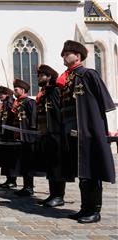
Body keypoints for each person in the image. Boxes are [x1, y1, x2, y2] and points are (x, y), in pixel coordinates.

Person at [58, 40, 116, 223]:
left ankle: (94, 210)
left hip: (90, 130)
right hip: (74, 132)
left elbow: (103, 100)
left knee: (93, 170)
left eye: (67, 53)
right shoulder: (69, 78)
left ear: (78, 55)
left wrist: (100, 128)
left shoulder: (88, 74)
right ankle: (85, 208)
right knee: (83, 173)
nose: (64, 56)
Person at [35, 64, 69, 207]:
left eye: (41, 75)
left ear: (48, 76)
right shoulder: (46, 93)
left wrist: (56, 132)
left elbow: (57, 113)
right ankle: (52, 194)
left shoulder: (54, 91)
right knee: (50, 166)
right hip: (47, 134)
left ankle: (59, 196)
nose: (38, 78)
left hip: (56, 134)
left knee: (57, 166)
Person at [11, 79, 39, 197]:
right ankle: (25, 186)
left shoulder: (29, 102)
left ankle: (29, 187)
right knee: (23, 163)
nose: (14, 91)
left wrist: (31, 133)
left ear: (22, 90)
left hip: (28, 137)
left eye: (16, 89)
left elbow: (33, 118)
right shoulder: (18, 103)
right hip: (20, 137)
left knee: (28, 163)